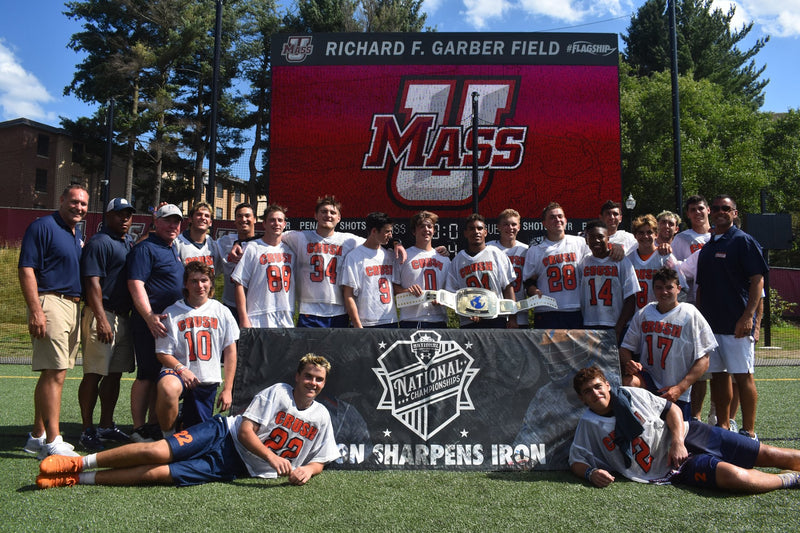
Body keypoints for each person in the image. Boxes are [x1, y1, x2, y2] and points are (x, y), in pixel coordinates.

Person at [36, 354, 340, 489]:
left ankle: (75, 479)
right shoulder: (279, 392)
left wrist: (307, 472)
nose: (313, 383)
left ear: (324, 384)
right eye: (308, 377)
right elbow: (247, 432)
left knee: (157, 475)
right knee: (157, 451)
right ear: (298, 377)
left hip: (234, 467)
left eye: (319, 380)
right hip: (224, 435)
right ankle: (79, 463)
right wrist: (273, 457)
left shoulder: (321, 416)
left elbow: (321, 459)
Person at [568, 366, 800, 493]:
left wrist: (678, 441)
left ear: (608, 385)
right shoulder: (589, 425)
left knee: (772, 454)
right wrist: (590, 473)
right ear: (582, 399)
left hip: (690, 434)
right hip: (672, 468)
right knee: (734, 476)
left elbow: (673, 411)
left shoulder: (632, 394)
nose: (595, 393)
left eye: (598, 386)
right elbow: (576, 459)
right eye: (588, 391)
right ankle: (791, 479)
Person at [19, 184, 89, 458]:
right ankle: (53, 440)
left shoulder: (74, 233)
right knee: (56, 373)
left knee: (53, 371)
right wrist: (36, 309)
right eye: (74, 202)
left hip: (71, 305)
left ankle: (36, 437)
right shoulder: (42, 227)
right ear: (61, 200)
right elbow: (26, 269)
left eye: (83, 204)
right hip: (50, 302)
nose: (79, 208)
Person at [696, 194, 768, 440]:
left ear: (734, 213)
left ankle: (749, 432)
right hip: (711, 325)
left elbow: (758, 280)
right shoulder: (709, 246)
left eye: (725, 208)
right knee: (718, 377)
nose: (719, 212)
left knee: (743, 376)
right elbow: (702, 288)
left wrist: (748, 317)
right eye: (715, 208)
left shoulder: (743, 241)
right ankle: (723, 427)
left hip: (736, 324)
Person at [281, 196, 406, 328]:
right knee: (309, 349)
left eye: (333, 212)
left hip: (339, 309)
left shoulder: (348, 240)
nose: (328, 215)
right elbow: (274, 237)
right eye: (323, 211)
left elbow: (374, 240)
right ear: (315, 215)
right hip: (309, 308)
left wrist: (396, 242)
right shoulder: (299, 237)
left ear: (339, 218)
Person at [77, 198, 137, 451]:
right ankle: (87, 429)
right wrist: (101, 318)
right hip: (103, 314)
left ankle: (106, 425)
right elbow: (92, 283)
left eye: (128, 214)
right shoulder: (99, 242)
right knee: (94, 373)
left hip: (123, 317)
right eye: (119, 214)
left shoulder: (127, 243)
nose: (124, 218)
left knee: (114, 374)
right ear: (108, 215)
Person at [619, 268, 715, 420]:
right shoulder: (644, 313)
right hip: (649, 379)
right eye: (659, 287)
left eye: (669, 287)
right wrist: (629, 362)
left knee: (679, 435)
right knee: (628, 382)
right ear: (653, 289)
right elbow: (625, 348)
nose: (664, 292)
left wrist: (680, 387)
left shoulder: (690, 313)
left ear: (679, 288)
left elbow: (704, 359)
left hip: (676, 386)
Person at [155, 262, 239, 437]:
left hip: (206, 377)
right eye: (194, 281)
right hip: (178, 373)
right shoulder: (171, 312)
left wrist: (228, 388)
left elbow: (230, 351)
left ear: (210, 283)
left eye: (204, 280)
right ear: (185, 283)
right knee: (168, 387)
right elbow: (162, 352)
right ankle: (167, 438)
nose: (199, 286)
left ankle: (181, 418)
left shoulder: (222, 311)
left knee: (196, 436)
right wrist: (181, 369)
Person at [127, 204, 185, 442]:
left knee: (159, 375)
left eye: (177, 222)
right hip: (150, 323)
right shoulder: (146, 248)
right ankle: (139, 428)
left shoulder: (171, 248)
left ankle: (153, 424)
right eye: (168, 221)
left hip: (168, 325)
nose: (173, 226)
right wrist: (149, 316)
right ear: (156, 222)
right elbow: (135, 283)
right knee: (146, 376)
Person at [523, 202, 590, 329]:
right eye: (552, 217)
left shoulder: (580, 243)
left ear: (565, 220)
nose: (557, 220)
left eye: (560, 216)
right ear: (544, 223)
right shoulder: (536, 249)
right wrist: (534, 291)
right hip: (547, 310)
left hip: (575, 308)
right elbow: (528, 282)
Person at [445, 214, 517, 329]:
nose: (476, 232)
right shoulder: (457, 260)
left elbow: (508, 287)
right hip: (469, 321)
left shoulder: (496, 254)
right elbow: (453, 295)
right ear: (465, 233)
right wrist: (467, 310)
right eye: (471, 229)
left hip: (496, 317)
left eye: (479, 228)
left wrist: (513, 318)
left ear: (485, 232)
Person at [231, 204, 296, 328]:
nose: (276, 223)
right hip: (258, 315)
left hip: (285, 313)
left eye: (280, 220)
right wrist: (244, 318)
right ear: (264, 223)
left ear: (284, 224)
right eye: (272, 220)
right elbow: (239, 283)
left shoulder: (291, 249)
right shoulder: (252, 248)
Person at [578, 220, 639, 343]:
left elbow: (631, 299)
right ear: (586, 240)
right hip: (590, 324)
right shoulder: (583, 263)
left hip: (616, 324)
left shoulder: (621, 261)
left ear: (608, 238)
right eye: (592, 237)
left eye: (600, 237)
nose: (596, 241)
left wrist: (618, 329)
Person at [392, 211, 451, 329]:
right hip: (411, 318)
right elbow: (393, 288)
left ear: (434, 231)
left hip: (439, 318)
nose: (426, 229)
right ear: (414, 231)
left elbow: (451, 290)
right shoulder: (404, 256)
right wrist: (407, 291)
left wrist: (443, 298)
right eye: (421, 226)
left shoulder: (444, 259)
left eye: (429, 226)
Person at [342, 212, 398, 328]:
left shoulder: (390, 255)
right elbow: (348, 294)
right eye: (387, 231)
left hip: (389, 320)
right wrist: (358, 325)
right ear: (374, 231)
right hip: (365, 322)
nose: (390, 235)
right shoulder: (354, 257)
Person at [629, 214, 685, 311]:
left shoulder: (666, 257)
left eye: (649, 232)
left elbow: (682, 288)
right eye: (641, 233)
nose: (645, 236)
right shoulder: (629, 260)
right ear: (635, 235)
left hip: (660, 316)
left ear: (656, 234)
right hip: (634, 317)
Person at [216, 202, 257, 323]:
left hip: (255, 306)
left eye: (247, 216)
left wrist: (241, 242)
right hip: (230, 304)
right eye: (239, 216)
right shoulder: (223, 242)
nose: (243, 219)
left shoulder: (262, 243)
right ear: (235, 220)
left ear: (255, 219)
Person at [488, 209, 529, 327]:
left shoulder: (526, 250)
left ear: (519, 227)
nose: (510, 228)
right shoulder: (488, 248)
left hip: (521, 312)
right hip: (495, 312)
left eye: (513, 224)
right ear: (498, 227)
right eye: (506, 224)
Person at [173, 202, 220, 274]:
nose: (203, 218)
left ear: (210, 223)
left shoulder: (213, 245)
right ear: (190, 219)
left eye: (207, 216)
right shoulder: (177, 243)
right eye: (199, 214)